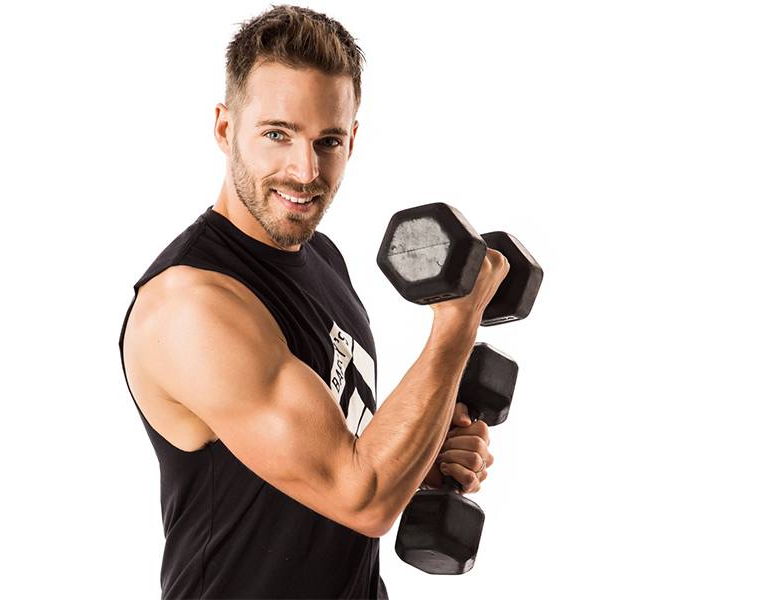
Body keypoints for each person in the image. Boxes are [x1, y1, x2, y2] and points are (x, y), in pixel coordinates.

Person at [118, 5, 508, 598]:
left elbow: (339, 454)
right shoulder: (191, 307)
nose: (305, 171)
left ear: (352, 139)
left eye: (327, 141)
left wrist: (418, 453)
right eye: (277, 134)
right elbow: (363, 495)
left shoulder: (322, 258)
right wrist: (457, 320)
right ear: (225, 129)